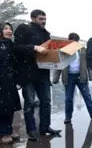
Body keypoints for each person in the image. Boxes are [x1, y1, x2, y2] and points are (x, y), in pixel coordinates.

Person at [14, 9, 62, 140]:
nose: (44, 22)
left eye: (45, 19)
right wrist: (34, 47)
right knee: (29, 103)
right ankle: (31, 130)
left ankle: (45, 127)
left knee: (46, 102)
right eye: (41, 19)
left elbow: (50, 52)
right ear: (33, 18)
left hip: (43, 73)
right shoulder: (23, 29)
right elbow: (16, 47)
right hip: (27, 73)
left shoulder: (46, 33)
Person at [0, 22, 47, 143]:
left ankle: (8, 129)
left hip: (10, 81)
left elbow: (21, 51)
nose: (9, 31)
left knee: (9, 107)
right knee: (2, 107)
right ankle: (3, 132)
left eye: (10, 29)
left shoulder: (11, 44)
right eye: (5, 29)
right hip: (1, 80)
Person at [52, 33, 92, 124]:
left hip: (81, 77)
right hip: (69, 77)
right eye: (72, 41)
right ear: (69, 41)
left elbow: (89, 64)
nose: (74, 42)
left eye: (76, 41)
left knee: (87, 97)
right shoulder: (63, 51)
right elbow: (59, 65)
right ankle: (68, 117)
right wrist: (55, 79)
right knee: (68, 99)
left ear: (78, 41)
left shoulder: (83, 50)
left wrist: (91, 77)